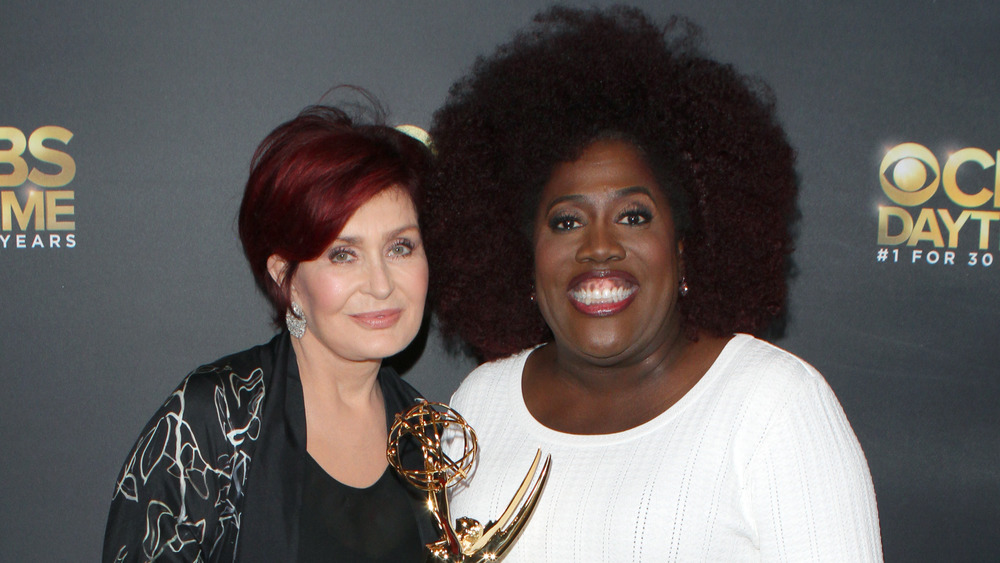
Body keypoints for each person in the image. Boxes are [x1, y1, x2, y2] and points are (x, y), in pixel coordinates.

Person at [424, 6, 882, 561]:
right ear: (523, 254)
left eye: (634, 215)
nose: (598, 246)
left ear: (687, 246)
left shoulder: (772, 407)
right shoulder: (480, 404)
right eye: (566, 221)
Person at [103, 102, 437, 562]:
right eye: (343, 254)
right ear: (286, 277)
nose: (382, 285)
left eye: (401, 247)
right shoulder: (212, 419)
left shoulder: (430, 433)